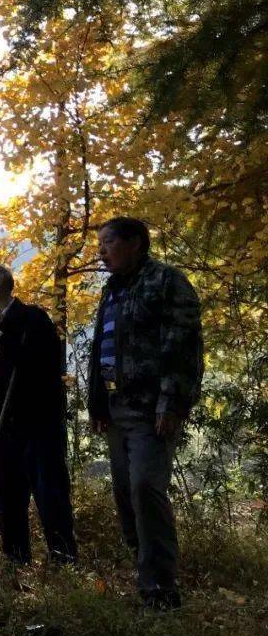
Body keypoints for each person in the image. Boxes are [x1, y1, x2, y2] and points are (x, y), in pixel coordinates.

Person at [88, 217, 203, 611]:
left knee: (144, 489)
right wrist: (98, 404)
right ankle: (146, 572)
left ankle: (161, 590)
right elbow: (100, 352)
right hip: (116, 409)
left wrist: (170, 403)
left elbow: (183, 347)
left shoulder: (166, 281)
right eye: (100, 243)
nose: (101, 251)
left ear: (135, 242)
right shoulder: (112, 290)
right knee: (124, 493)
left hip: (150, 408)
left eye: (108, 242)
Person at [0, 264, 77, 568]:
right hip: (4, 421)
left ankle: (63, 559)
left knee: (49, 489)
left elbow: (37, 362)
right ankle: (15, 559)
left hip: (40, 419)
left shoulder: (33, 317)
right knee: (7, 492)